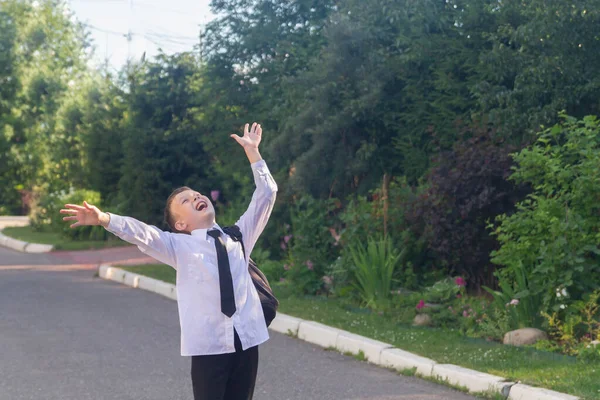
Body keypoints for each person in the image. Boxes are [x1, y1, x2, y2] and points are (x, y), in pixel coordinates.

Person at [60, 122, 277, 400]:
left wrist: (253, 154)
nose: (196, 197)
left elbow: (266, 195)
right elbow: (144, 234)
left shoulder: (239, 236)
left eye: (196, 194)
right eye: (186, 200)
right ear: (180, 223)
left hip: (247, 342)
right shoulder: (178, 246)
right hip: (209, 348)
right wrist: (105, 219)